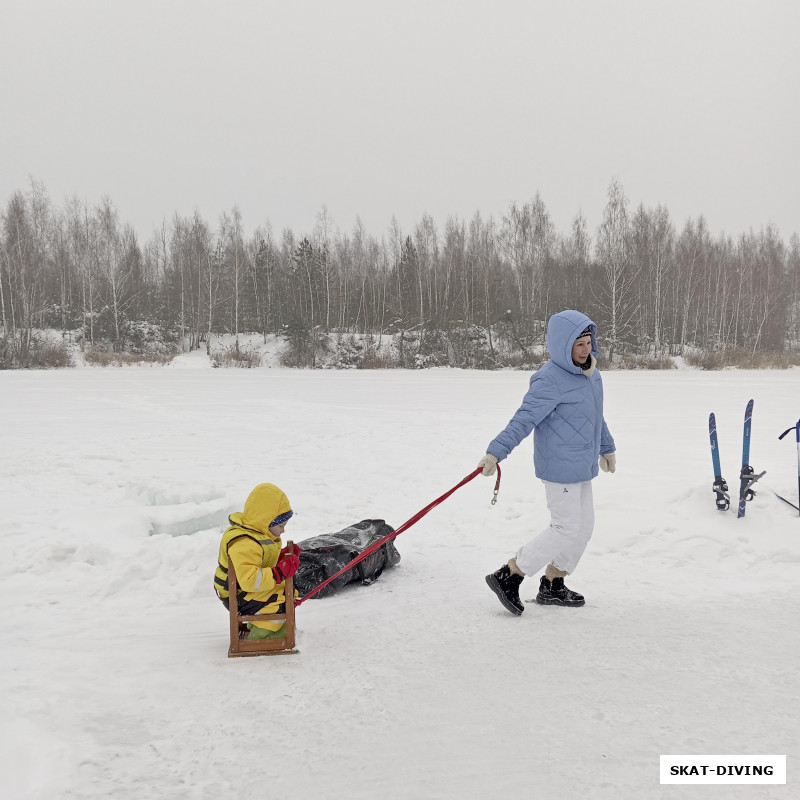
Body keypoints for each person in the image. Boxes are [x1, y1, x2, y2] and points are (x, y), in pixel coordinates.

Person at [478, 309, 616, 614]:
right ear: (562, 345)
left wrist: (607, 448)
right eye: (578, 344)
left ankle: (554, 582)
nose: (586, 349)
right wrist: (495, 453)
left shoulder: (592, 376)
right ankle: (510, 575)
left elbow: (595, 416)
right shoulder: (549, 380)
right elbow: (523, 420)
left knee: (584, 528)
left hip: (583, 466)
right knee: (566, 527)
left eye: (588, 342)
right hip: (559, 466)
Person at [213, 483, 300, 639]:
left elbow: (260, 560)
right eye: (281, 525)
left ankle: (262, 624)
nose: (283, 530)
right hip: (237, 596)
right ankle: (263, 635)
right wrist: (279, 572)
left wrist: (281, 557)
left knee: (290, 590)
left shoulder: (258, 533)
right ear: (266, 521)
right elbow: (250, 579)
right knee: (282, 600)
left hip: (243, 592)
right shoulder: (245, 543)